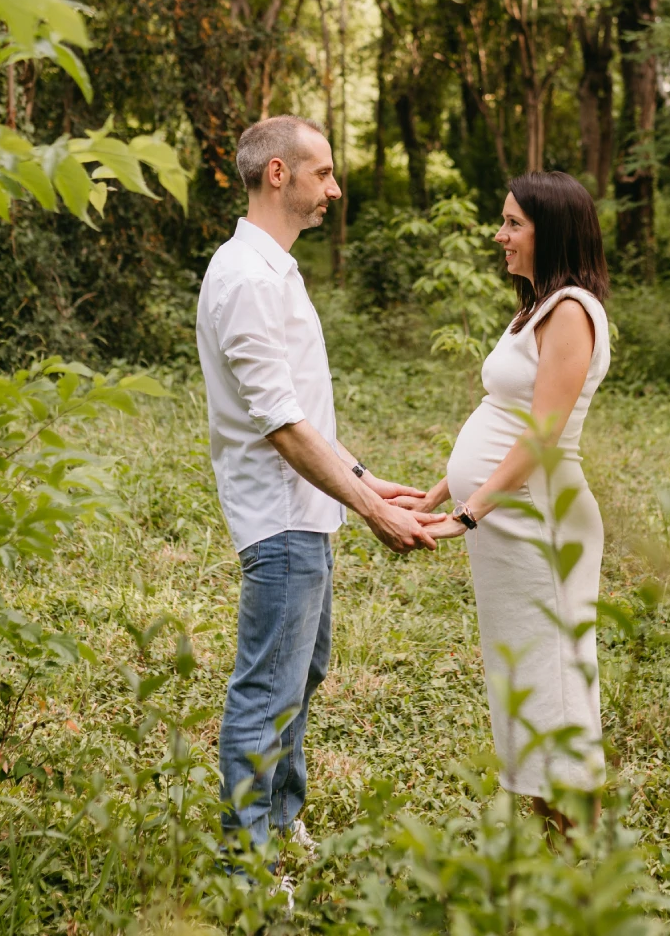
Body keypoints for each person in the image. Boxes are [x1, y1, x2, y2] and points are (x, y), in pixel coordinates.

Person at [196, 114, 445, 852]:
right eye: (325, 173)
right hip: (279, 519)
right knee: (266, 690)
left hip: (308, 510)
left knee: (301, 673)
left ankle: (279, 820)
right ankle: (245, 868)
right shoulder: (246, 278)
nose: (334, 189)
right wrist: (371, 510)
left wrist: (367, 478)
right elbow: (281, 426)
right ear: (279, 174)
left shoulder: (275, 268)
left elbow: (300, 408)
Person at [388, 171, 612, 827]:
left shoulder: (571, 312)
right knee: (525, 680)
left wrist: (469, 511)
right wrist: (442, 488)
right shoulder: (538, 306)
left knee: (557, 687)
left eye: (514, 223)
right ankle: (552, 841)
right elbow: (505, 411)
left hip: (541, 521)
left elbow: (542, 433)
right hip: (509, 520)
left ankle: (582, 855)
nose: (499, 234)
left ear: (553, 230)